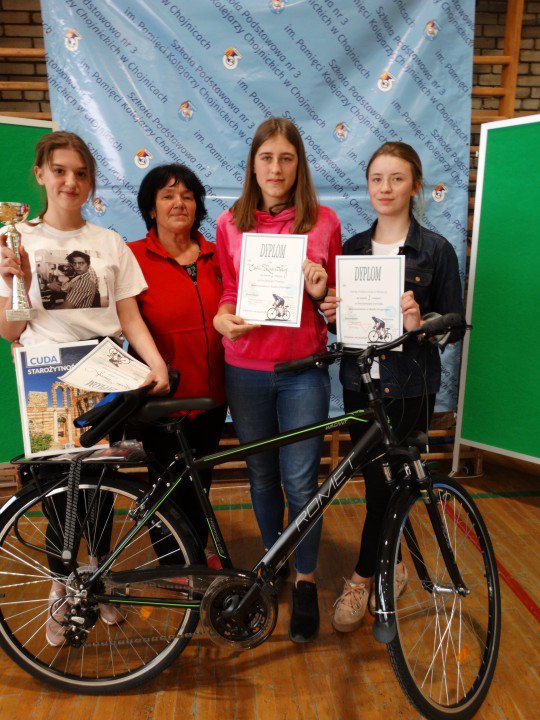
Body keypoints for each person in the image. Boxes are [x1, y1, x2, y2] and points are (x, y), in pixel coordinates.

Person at [0, 131, 170, 646]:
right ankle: (61, 587)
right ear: (40, 175)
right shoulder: (16, 240)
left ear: (91, 182)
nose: (70, 182)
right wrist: (14, 280)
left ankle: (97, 581)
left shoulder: (108, 243)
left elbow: (129, 315)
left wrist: (156, 364)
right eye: (59, 171)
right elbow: (9, 330)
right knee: (58, 495)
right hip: (47, 380)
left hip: (104, 376)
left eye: (80, 173)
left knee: (101, 491)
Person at [320, 141, 464, 632]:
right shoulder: (353, 248)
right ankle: (396, 564)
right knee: (377, 485)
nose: (385, 188)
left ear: (415, 186)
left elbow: (454, 326)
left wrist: (422, 323)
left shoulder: (436, 250)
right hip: (361, 385)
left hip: (410, 387)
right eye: (377, 179)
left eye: (397, 178)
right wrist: (332, 314)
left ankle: (363, 578)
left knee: (389, 487)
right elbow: (346, 326)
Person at [213, 117, 342, 643]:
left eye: (286, 158)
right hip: (245, 370)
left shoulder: (324, 222)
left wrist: (320, 289)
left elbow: (334, 304)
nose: (275, 168)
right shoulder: (229, 223)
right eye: (266, 157)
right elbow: (228, 289)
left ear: (299, 165)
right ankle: (272, 563)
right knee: (262, 477)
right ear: (252, 164)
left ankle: (306, 579)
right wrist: (223, 317)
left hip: (302, 372)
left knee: (301, 482)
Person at [130, 163, 227, 565]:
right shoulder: (132, 256)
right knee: (166, 486)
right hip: (162, 397)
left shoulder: (217, 254)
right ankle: (173, 564)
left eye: (187, 196)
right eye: (168, 196)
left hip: (213, 396)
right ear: (151, 208)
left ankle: (196, 553)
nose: (179, 203)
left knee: (200, 480)